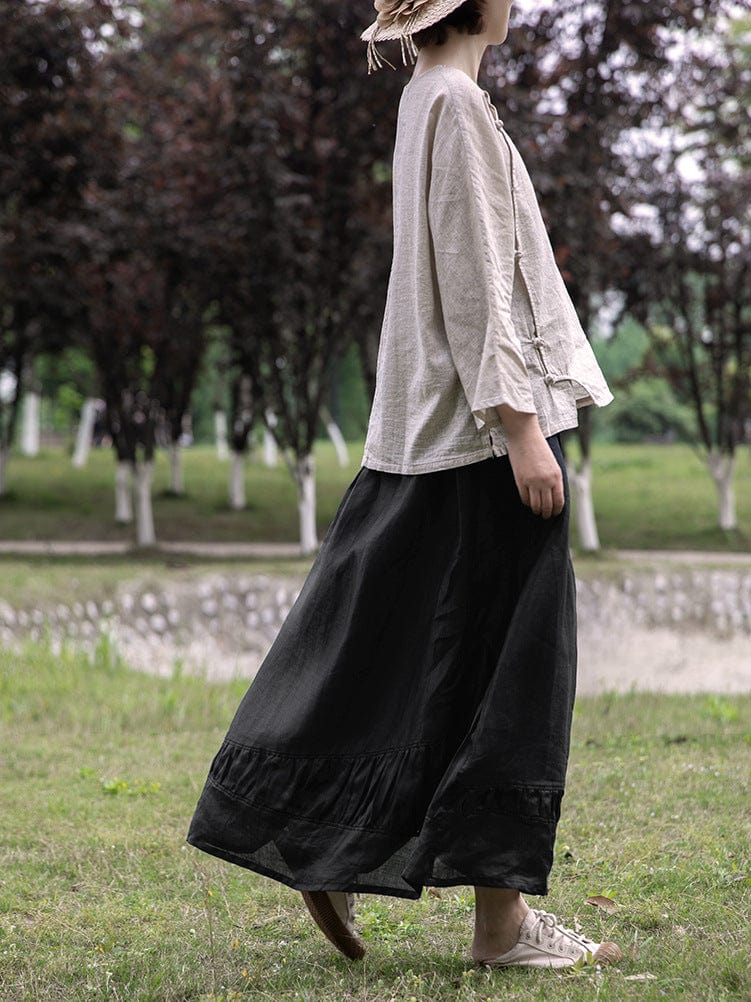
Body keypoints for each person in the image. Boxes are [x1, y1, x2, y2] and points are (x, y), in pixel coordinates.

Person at [187, 0, 622, 970]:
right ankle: (497, 926)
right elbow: (474, 274)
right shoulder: (453, 104)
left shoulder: (429, 94)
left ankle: (331, 839)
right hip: (481, 436)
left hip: (432, 429)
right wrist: (520, 427)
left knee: (401, 655)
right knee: (512, 676)